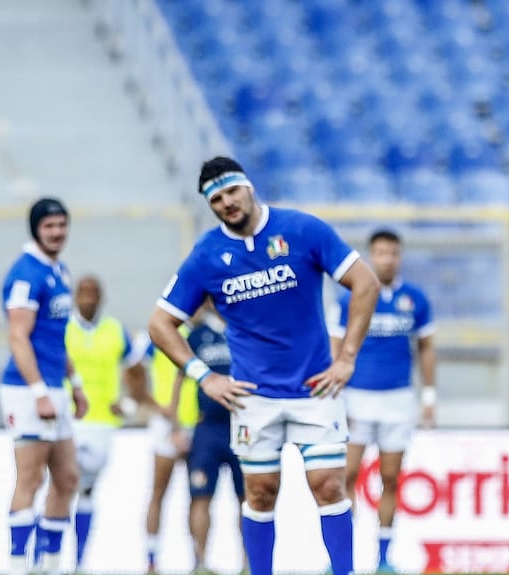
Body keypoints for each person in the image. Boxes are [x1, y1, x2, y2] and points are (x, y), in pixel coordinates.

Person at [147, 156, 380, 575]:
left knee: (329, 484)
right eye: (216, 199)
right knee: (259, 493)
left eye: (232, 191)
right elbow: (161, 323)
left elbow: (364, 282)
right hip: (252, 397)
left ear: (248, 187)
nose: (227, 203)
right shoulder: (206, 255)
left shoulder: (302, 229)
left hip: (315, 389)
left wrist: (346, 358)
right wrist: (204, 376)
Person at [332, 230, 436, 574]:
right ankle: (342, 557)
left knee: (390, 478)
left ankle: (383, 558)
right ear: (370, 256)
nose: (386, 259)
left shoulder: (415, 299)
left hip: (398, 399)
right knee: (346, 474)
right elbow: (335, 344)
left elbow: (425, 347)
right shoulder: (351, 296)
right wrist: (334, 391)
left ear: (399, 256)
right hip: (356, 396)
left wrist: (429, 396)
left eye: (392, 253)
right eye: (380, 253)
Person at [0, 197, 88, 575]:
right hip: (26, 389)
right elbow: (19, 338)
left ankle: (48, 565)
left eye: (62, 225)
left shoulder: (59, 271)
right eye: (50, 226)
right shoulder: (25, 274)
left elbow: (56, 337)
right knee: (31, 479)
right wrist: (38, 392)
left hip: (54, 386)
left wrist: (76, 384)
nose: (57, 232)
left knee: (67, 478)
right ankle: (19, 566)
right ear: (35, 228)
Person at [64, 275, 149, 570]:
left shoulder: (114, 330)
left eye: (94, 293)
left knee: (87, 491)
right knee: (58, 487)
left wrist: (130, 403)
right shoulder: (62, 327)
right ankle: (43, 558)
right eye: (83, 293)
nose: (89, 298)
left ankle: (78, 562)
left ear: (102, 297)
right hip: (67, 422)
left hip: (102, 423)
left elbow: (135, 367)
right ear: (75, 297)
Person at [169, 299, 246, 575]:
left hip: (243, 425)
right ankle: (200, 563)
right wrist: (176, 427)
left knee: (248, 498)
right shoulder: (197, 336)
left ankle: (248, 564)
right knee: (200, 496)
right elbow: (179, 382)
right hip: (207, 429)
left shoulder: (245, 330)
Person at [143, 325, 197, 574]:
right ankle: (152, 560)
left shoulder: (201, 333)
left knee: (199, 493)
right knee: (159, 490)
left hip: (197, 422)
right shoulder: (159, 330)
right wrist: (155, 405)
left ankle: (198, 559)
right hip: (166, 423)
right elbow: (132, 370)